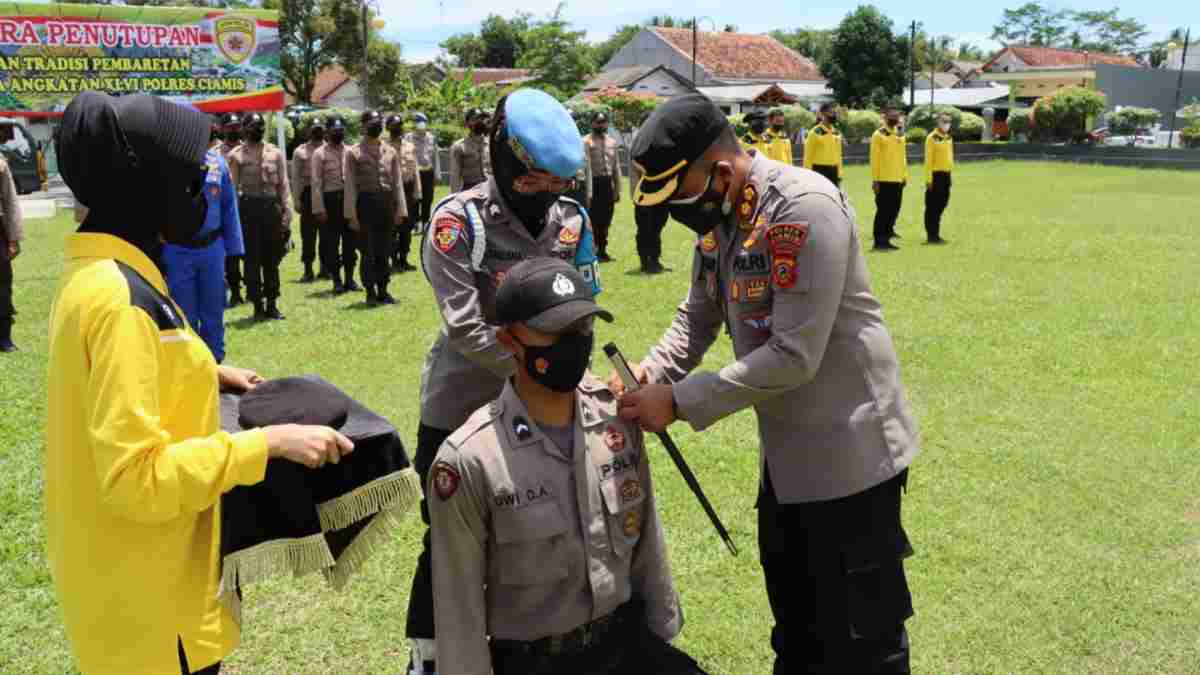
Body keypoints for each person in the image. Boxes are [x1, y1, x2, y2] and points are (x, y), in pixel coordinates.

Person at [47, 90, 354, 675]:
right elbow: (137, 480)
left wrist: (204, 370)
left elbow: (113, 377)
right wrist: (270, 444)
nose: (204, 194)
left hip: (124, 579)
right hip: (151, 603)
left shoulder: (97, 274)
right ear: (145, 189)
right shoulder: (121, 301)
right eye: (191, 183)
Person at [619, 93, 919, 675]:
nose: (680, 213)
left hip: (849, 462)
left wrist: (676, 401)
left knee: (862, 645)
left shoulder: (802, 208)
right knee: (798, 635)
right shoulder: (722, 218)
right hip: (785, 465)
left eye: (680, 197)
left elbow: (793, 355)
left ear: (722, 171)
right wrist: (650, 371)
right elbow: (697, 316)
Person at [430, 258, 704, 675]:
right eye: (555, 333)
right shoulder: (470, 459)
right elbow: (458, 605)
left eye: (582, 329)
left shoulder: (616, 419)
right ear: (509, 340)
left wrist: (660, 632)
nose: (574, 343)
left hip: (622, 646)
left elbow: (647, 539)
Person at [408, 87, 601, 675]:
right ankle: (429, 654)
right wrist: (543, 376)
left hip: (546, 413)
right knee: (448, 546)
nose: (545, 195)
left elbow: (584, 307)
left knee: (537, 532)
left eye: (556, 184)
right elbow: (467, 326)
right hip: (462, 412)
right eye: (533, 180)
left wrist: (572, 384)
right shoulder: (457, 221)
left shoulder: (573, 222)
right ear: (503, 158)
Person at [162, 121, 244, 364]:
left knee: (213, 311)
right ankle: (188, 366)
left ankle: (215, 363)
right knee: (183, 313)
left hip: (211, 249)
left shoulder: (218, 164)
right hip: (178, 250)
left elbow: (229, 208)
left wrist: (234, 247)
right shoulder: (170, 162)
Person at [228, 113, 293, 320]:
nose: (258, 130)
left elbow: (283, 184)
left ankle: (272, 303)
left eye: (261, 126)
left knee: (272, 260)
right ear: (245, 129)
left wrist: (287, 212)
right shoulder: (236, 155)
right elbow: (232, 190)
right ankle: (257, 304)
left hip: (271, 209)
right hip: (249, 211)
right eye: (254, 126)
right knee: (252, 261)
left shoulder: (275, 152)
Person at [344, 110, 406, 306]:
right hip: (365, 204)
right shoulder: (353, 152)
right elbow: (350, 186)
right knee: (367, 251)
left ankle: (384, 290)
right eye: (371, 122)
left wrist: (400, 209)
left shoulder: (390, 151)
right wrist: (351, 214)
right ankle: (370, 291)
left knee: (385, 249)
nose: (375, 125)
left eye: (378, 121)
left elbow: (397, 183)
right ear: (362, 126)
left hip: (386, 204)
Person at [291, 117, 326, 282]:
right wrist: (296, 200)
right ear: (308, 132)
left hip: (327, 194)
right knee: (308, 235)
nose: (317, 132)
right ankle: (308, 269)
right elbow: (296, 177)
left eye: (320, 128)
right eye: (314, 129)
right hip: (307, 194)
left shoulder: (330, 149)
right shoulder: (300, 152)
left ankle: (326, 268)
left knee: (327, 234)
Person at [583, 112, 621, 262]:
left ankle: (603, 250)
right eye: (598, 122)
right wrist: (588, 193)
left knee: (606, 218)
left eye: (604, 122)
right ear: (592, 123)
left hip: (607, 185)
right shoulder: (586, 141)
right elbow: (585, 168)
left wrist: (617, 190)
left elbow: (616, 166)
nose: (601, 125)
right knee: (592, 219)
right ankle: (591, 251)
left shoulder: (612, 142)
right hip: (593, 183)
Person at [870, 106, 908, 251]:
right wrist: (875, 180)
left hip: (897, 179)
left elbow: (902, 157)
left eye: (897, 114)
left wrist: (904, 175)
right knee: (883, 211)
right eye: (891, 114)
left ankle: (886, 238)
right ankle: (879, 241)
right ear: (884, 116)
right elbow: (874, 159)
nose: (895, 117)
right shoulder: (878, 134)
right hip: (884, 180)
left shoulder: (899, 134)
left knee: (893, 210)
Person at [388, 113, 421, 273]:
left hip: (408, 190)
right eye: (394, 126)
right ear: (388, 128)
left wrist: (417, 191)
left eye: (399, 125)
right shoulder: (384, 146)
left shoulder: (410, 146)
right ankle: (393, 258)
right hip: (391, 191)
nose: (398, 129)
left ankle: (403, 258)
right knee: (392, 227)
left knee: (406, 227)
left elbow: (415, 170)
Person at [219, 113, 246, 306]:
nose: (234, 130)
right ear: (223, 129)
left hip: (247, 206)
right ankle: (235, 291)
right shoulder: (216, 151)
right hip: (227, 208)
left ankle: (253, 289)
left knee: (251, 251)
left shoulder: (249, 148)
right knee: (231, 253)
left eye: (236, 126)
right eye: (230, 127)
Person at [0, 122, 21, 353]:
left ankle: (4, 337)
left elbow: (10, 202)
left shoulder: (1, 164)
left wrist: (13, 238)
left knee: (3, 285)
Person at [630, 160, 668, 274]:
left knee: (657, 228)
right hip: (643, 195)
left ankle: (655, 260)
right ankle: (645, 262)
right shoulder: (639, 149)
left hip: (661, 194)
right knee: (644, 229)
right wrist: (636, 196)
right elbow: (634, 174)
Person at [924, 113, 954, 245]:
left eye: (948, 121)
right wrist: (929, 179)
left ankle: (935, 233)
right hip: (935, 175)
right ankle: (932, 235)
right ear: (938, 122)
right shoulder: (932, 138)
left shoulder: (948, 137)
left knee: (943, 203)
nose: (947, 124)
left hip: (946, 175)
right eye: (944, 121)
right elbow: (928, 160)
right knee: (933, 207)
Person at [407, 112, 439, 234]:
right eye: (419, 121)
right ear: (415, 124)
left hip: (428, 172)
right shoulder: (409, 137)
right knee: (415, 198)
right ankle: (415, 224)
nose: (421, 124)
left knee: (428, 198)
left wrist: (437, 174)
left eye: (423, 121)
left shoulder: (431, 137)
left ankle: (426, 223)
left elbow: (435, 156)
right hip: (416, 172)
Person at [449, 108, 491, 192]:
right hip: (470, 189)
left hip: (489, 188)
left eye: (481, 119)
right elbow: (455, 175)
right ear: (467, 123)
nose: (479, 121)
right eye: (475, 119)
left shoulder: (491, 143)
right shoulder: (459, 146)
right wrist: (454, 196)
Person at [804, 103, 845, 187]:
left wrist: (839, 173)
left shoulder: (836, 133)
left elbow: (839, 155)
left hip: (834, 170)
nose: (833, 115)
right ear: (822, 114)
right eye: (830, 112)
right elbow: (808, 156)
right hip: (819, 170)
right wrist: (807, 175)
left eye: (834, 112)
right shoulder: (814, 133)